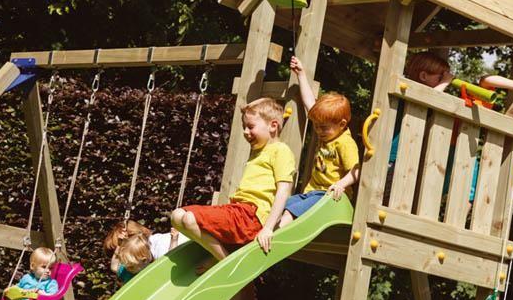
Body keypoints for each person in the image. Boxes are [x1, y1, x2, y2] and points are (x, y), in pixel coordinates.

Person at [386, 51, 513, 205]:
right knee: (391, 196)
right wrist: (445, 82)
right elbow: (426, 99)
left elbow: (486, 80)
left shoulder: (455, 98)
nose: (446, 80)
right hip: (395, 156)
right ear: (423, 76)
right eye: (440, 76)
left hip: (423, 155)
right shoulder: (409, 90)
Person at [171, 97, 295, 272]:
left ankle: (225, 262)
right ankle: (223, 257)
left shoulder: (281, 150)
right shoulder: (258, 152)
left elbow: (284, 190)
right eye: (244, 127)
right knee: (177, 216)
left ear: (273, 126)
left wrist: (268, 228)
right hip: (238, 211)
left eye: (250, 126)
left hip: (252, 216)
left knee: (189, 218)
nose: (245, 132)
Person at [278, 56, 360, 228]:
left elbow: (356, 170)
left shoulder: (345, 142)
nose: (318, 131)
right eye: (316, 126)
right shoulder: (328, 131)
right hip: (311, 193)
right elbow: (310, 104)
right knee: (283, 205)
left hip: (329, 197)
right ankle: (271, 230)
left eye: (323, 127)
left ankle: (277, 236)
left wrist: (340, 184)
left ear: (342, 124)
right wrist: (301, 73)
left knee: (290, 213)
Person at [104, 220, 188, 283]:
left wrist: (174, 240)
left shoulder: (153, 270)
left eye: (131, 266)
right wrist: (119, 245)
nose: (127, 267)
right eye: (125, 263)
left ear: (144, 260)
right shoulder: (127, 271)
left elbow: (170, 260)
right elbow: (114, 266)